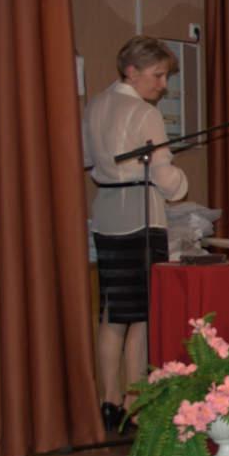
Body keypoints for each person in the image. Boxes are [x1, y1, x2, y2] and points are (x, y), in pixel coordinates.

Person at [83, 36, 188, 432]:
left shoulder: (95, 105)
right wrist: (180, 183)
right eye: (157, 75)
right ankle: (136, 401)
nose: (162, 84)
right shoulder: (144, 113)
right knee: (142, 316)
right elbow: (164, 175)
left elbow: (86, 159)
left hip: (106, 217)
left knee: (112, 312)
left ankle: (108, 400)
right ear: (132, 71)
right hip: (141, 219)